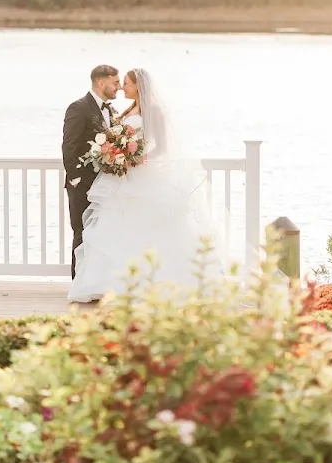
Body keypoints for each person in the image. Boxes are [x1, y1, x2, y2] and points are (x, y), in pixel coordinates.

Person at [67, 67, 224, 303]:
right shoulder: (127, 110)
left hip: (140, 175)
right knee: (117, 229)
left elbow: (162, 146)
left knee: (145, 227)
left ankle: (150, 282)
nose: (122, 88)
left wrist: (140, 158)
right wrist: (115, 155)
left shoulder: (154, 110)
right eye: (120, 83)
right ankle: (113, 283)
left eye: (126, 83)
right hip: (122, 177)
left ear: (138, 86)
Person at [61, 64, 121, 278]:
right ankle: (78, 283)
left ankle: (95, 281)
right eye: (115, 82)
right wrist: (75, 179)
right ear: (101, 83)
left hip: (103, 185)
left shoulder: (111, 111)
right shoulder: (79, 108)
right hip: (82, 185)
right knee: (82, 233)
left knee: (100, 234)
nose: (119, 87)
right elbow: (69, 145)